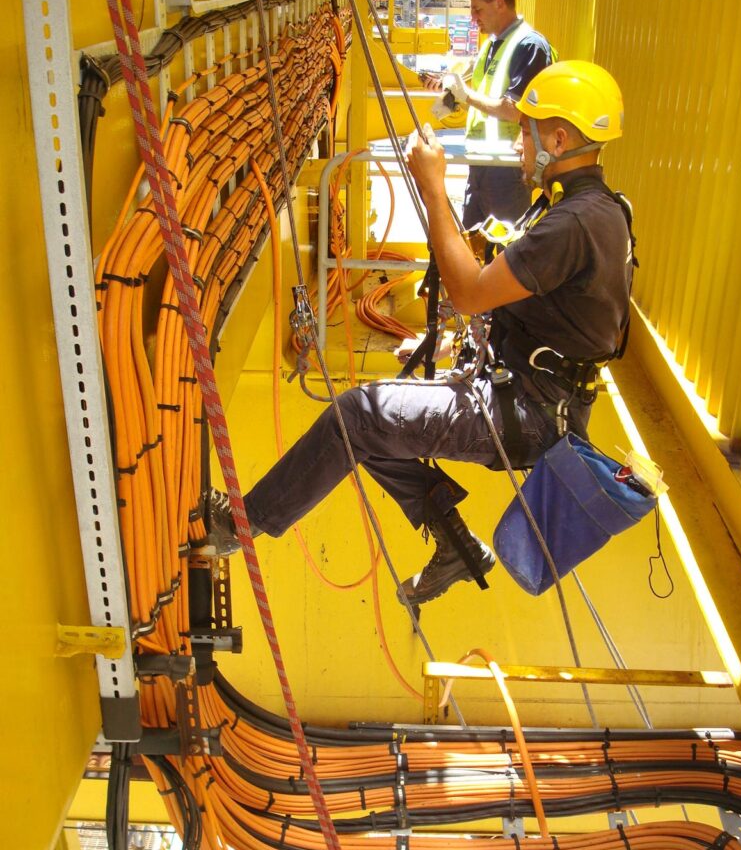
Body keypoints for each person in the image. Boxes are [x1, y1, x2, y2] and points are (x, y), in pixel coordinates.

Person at [207, 61, 633, 608]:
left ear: (558, 137)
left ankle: (243, 524)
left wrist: (433, 188)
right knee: (373, 428)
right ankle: (455, 544)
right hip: (539, 397)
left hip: (529, 412)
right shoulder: (595, 211)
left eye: (524, 133)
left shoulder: (571, 223)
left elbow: (470, 294)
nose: (519, 146)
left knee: (357, 415)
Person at [424, 0, 553, 228]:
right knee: (475, 244)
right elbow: (485, 94)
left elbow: (514, 110)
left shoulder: (530, 46)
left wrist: (466, 95)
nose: (473, 18)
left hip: (508, 167)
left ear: (500, 4)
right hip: (482, 164)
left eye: (477, 10)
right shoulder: (491, 45)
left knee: (508, 247)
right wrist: (451, 94)